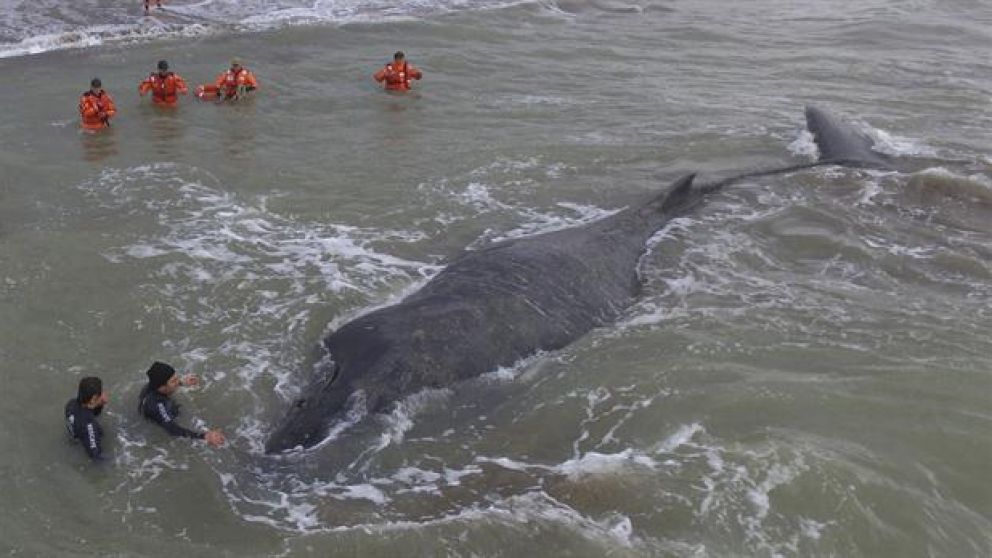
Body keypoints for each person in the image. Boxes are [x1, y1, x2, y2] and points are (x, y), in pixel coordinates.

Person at [138, 362, 225, 447]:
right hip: (157, 420)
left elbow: (169, 383)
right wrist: (204, 436)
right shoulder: (157, 405)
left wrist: (182, 382)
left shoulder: (154, 384)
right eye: (173, 381)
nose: (178, 381)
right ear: (162, 387)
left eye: (176, 378)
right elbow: (172, 429)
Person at [65, 377, 109, 460]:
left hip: (76, 434)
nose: (104, 393)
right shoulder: (90, 425)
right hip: (85, 440)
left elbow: (91, 411)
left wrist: (100, 403)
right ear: (93, 399)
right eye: (101, 392)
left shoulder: (71, 404)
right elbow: (95, 455)